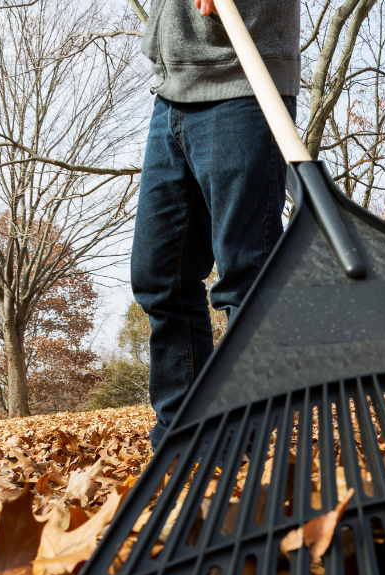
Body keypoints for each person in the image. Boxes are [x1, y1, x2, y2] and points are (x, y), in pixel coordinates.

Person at [131, 0, 300, 449]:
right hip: (171, 92)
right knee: (159, 278)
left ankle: (255, 441)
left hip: (243, 81)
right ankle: (184, 439)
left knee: (246, 275)